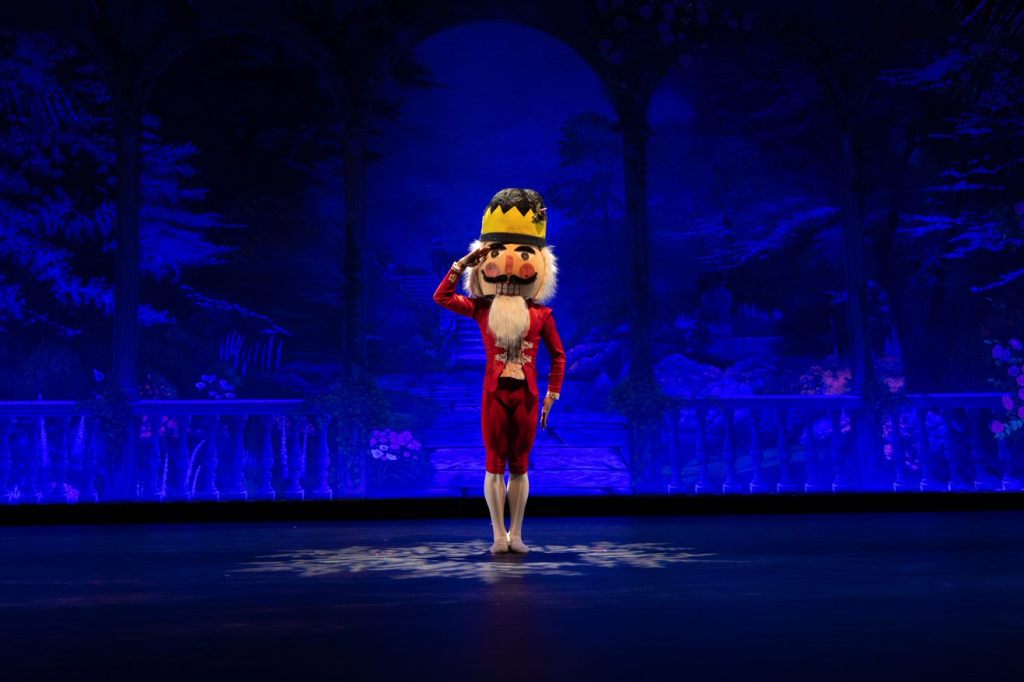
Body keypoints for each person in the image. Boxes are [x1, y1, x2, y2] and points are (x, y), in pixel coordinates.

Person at [433, 188, 566, 554]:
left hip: (527, 397)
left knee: (520, 466)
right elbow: (442, 297)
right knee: (494, 465)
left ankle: (517, 534)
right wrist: (462, 264)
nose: (508, 275)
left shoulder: (542, 315)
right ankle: (497, 535)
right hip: (495, 395)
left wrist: (552, 395)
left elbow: (558, 356)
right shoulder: (481, 309)